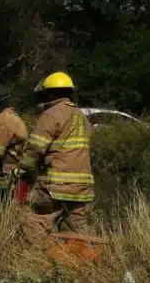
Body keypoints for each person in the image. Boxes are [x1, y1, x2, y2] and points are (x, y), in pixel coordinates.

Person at [17, 71, 94, 237]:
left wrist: (22, 169)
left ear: (50, 93)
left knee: (34, 223)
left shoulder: (50, 115)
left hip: (55, 186)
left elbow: (35, 149)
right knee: (75, 233)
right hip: (81, 188)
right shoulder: (81, 116)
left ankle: (33, 260)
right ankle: (80, 261)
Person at [0, 87, 28, 187]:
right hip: (16, 169)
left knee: (3, 198)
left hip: (9, 172)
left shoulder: (3, 121)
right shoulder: (10, 117)